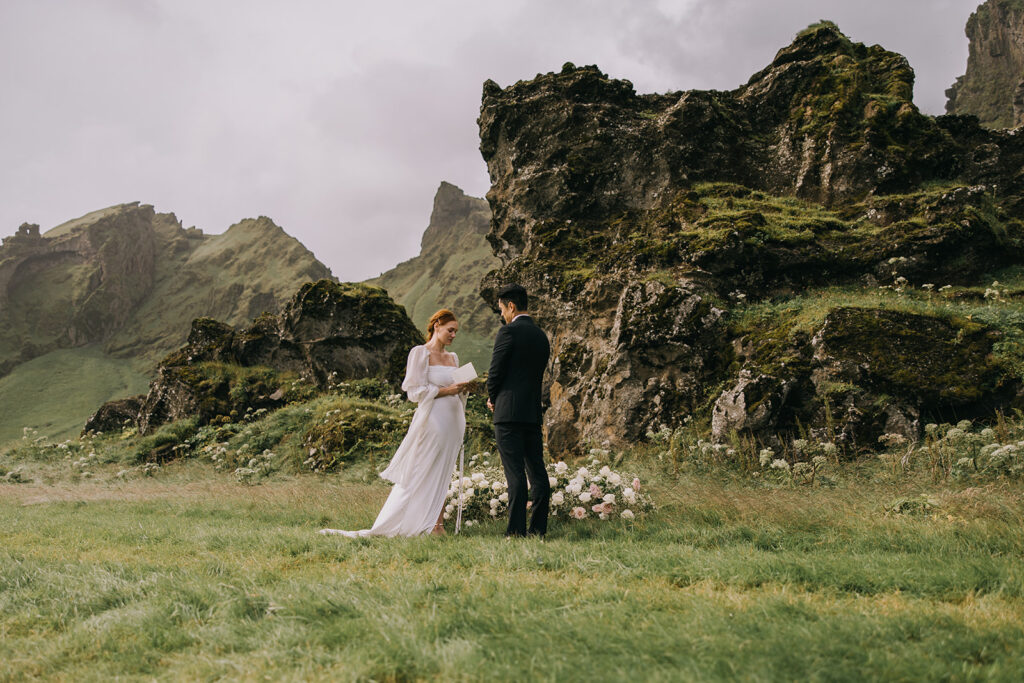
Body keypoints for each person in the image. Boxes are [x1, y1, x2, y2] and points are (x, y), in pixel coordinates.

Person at [319, 309, 471, 538]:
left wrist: (466, 388)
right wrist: (448, 390)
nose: (453, 335)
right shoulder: (420, 353)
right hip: (432, 422)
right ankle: (411, 523)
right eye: (450, 330)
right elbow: (414, 392)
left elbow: (459, 389)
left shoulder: (454, 358)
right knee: (421, 471)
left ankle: (438, 526)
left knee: (444, 474)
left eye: (456, 332)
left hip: (454, 422)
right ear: (437, 325)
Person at [487, 284, 551, 538]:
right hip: (532, 414)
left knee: (514, 473)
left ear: (511, 306)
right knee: (537, 472)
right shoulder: (540, 335)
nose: (502, 315)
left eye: (502, 309)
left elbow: (495, 372)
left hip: (508, 414)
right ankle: (537, 530)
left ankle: (515, 532)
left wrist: (493, 398)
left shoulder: (508, 332)